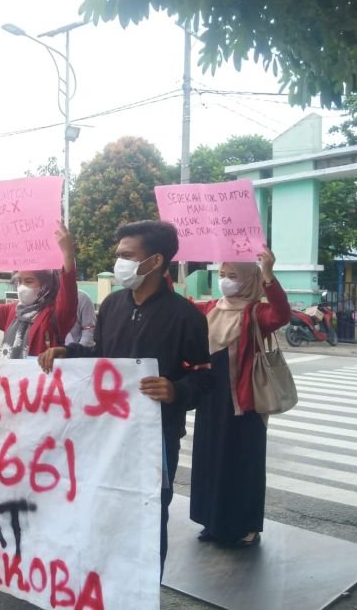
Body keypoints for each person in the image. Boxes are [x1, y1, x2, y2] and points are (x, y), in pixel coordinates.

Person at [38, 220, 213, 576]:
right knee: (105, 508)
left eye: (127, 255)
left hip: (155, 438)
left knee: (148, 517)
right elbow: (103, 356)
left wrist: (176, 390)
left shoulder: (185, 316)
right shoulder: (113, 304)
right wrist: (66, 353)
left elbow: (205, 376)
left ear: (155, 261)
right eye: (119, 255)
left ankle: (144, 592)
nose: (120, 262)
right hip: (107, 430)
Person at [189, 248, 290, 548]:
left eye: (233, 276)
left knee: (243, 463)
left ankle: (246, 525)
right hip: (210, 399)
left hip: (245, 402)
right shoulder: (209, 308)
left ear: (248, 280)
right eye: (221, 275)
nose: (225, 281)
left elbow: (282, 314)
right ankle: (213, 522)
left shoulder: (256, 313)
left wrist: (268, 274)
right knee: (210, 459)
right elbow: (176, 308)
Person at [0, 224, 78, 358]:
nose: (22, 286)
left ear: (46, 285)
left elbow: (69, 295)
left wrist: (67, 254)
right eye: (19, 281)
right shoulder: (12, 312)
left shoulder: (56, 314)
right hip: (10, 378)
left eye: (29, 281)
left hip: (40, 378)